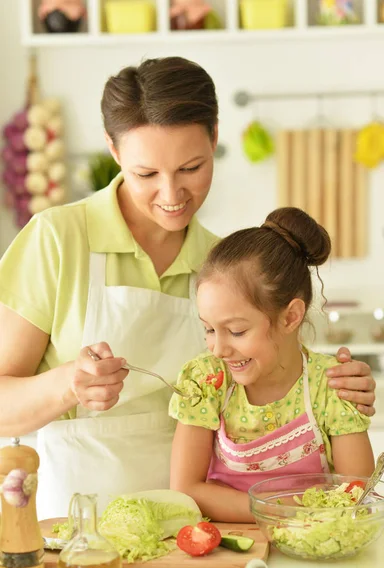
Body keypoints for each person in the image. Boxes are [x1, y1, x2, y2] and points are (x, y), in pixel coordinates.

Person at [0, 58, 375, 520]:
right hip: (79, 519)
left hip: (200, 523)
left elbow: (277, 377)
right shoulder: (57, 239)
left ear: (215, 138)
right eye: (146, 174)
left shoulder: (224, 265)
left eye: (191, 167)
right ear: (114, 151)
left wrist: (337, 388)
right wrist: (68, 386)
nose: (172, 193)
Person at [169, 207, 375, 523]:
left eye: (236, 331)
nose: (219, 349)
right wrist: (284, 512)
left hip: (315, 550)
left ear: (291, 316)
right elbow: (186, 489)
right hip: (228, 552)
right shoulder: (206, 380)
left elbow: (354, 494)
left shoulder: (333, 385)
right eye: (209, 329)